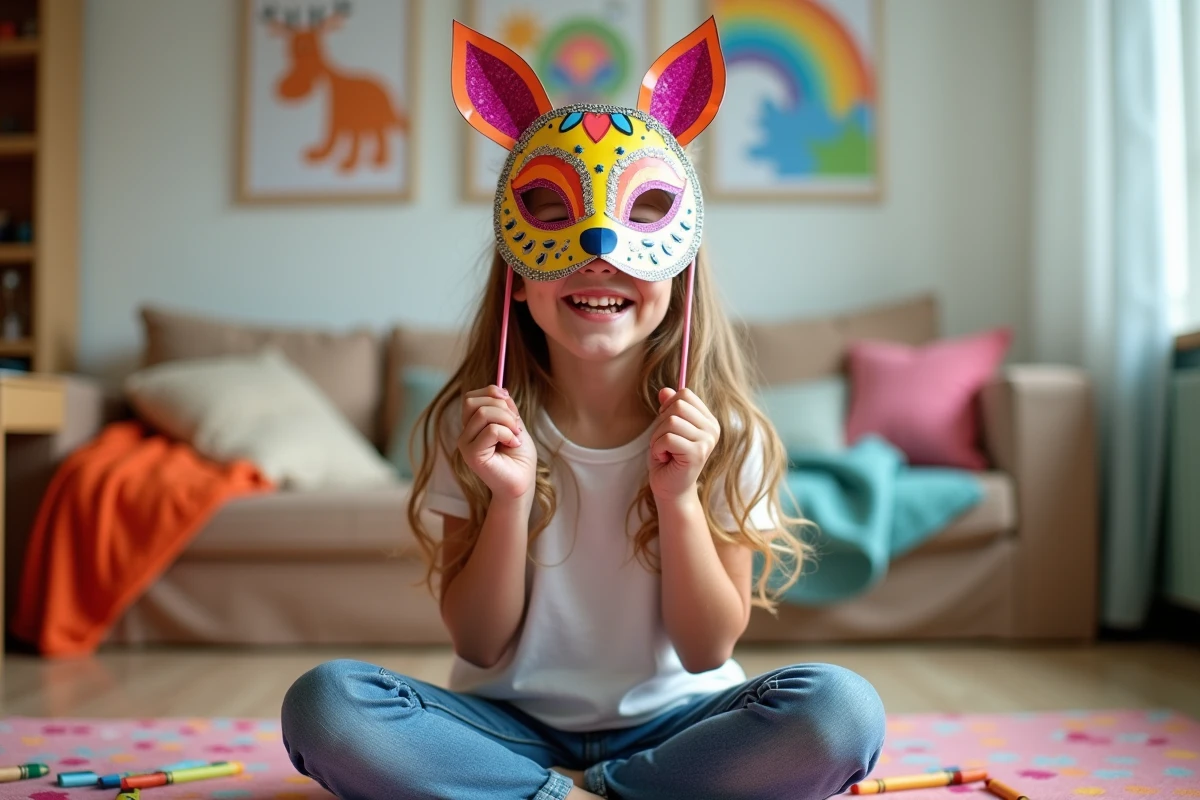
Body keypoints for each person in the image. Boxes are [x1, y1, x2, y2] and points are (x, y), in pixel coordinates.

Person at [280, 17, 886, 800]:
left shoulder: (726, 433)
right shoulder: (474, 433)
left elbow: (707, 652)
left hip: (681, 720)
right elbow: (479, 642)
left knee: (841, 710)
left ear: (678, 273)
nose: (598, 245)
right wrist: (507, 500)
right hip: (504, 722)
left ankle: (590, 786)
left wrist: (679, 497)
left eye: (640, 217)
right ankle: (565, 792)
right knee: (326, 706)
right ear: (520, 282)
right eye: (553, 216)